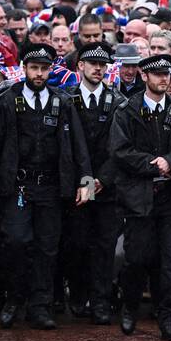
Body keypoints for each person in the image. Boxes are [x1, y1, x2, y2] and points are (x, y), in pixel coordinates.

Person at [0, 42, 91, 330]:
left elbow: (79, 146)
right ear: (24, 69)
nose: (39, 74)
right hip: (18, 187)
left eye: (44, 68)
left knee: (47, 248)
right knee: (16, 242)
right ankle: (13, 299)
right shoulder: (8, 100)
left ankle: (40, 306)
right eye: (34, 68)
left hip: (52, 188)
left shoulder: (62, 102)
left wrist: (85, 182)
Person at [109, 53, 171, 341]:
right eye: (159, 74)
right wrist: (154, 164)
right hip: (139, 196)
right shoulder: (127, 110)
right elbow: (119, 151)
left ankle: (168, 318)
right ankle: (129, 307)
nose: (165, 79)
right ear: (145, 76)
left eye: (170, 75)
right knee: (137, 258)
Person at [63, 42, 124, 325]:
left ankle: (100, 301)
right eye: (92, 63)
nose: (98, 68)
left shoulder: (118, 102)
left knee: (104, 246)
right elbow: (65, 147)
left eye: (103, 64)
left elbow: (121, 147)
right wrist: (83, 181)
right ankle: (78, 295)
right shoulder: (66, 100)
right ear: (80, 66)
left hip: (107, 187)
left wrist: (101, 179)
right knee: (77, 243)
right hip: (76, 186)